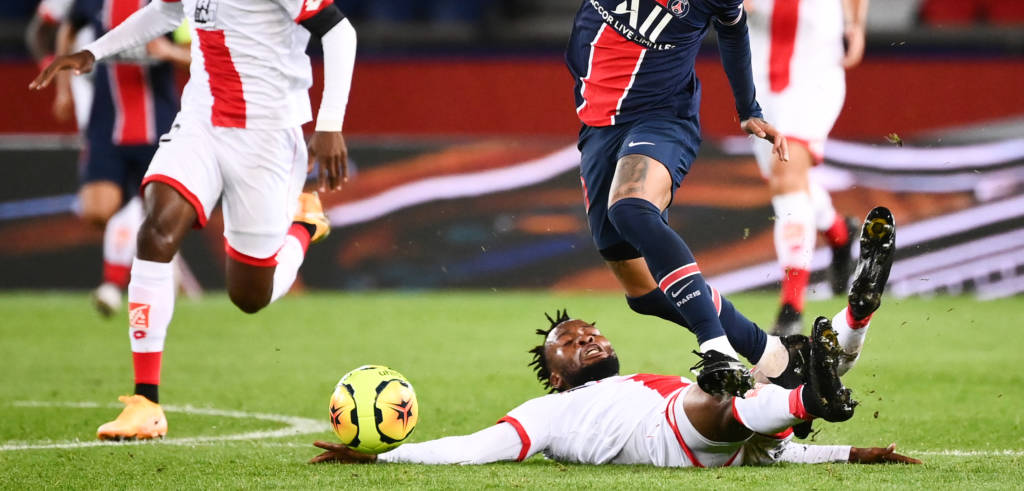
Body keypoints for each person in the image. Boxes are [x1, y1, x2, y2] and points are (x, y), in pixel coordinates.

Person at [30, 0, 357, 440]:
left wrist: (330, 125)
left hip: (267, 134)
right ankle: (145, 403)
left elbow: (339, 31)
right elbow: (163, 10)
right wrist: (92, 53)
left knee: (250, 295)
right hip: (202, 121)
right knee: (155, 230)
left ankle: (303, 226)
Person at [498, 0, 794, 395]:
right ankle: (773, 355)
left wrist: (749, 106)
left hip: (663, 115)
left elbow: (733, 33)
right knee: (642, 292)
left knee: (631, 207)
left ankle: (716, 349)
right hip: (596, 121)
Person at [309, 229, 912, 468]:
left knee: (781, 372)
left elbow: (772, 457)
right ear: (554, 376)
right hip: (672, 434)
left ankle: (855, 320)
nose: (588, 338)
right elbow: (475, 448)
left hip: (731, 434)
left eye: (591, 332)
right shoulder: (546, 412)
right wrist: (383, 460)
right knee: (722, 392)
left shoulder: (646, 379)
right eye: (570, 343)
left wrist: (850, 454)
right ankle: (813, 394)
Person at [716, 0, 870, 335]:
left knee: (787, 178)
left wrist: (856, 28)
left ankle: (791, 307)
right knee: (791, 181)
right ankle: (839, 233)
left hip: (816, 75)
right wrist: (731, 2)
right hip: (758, 80)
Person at [48, 0, 193, 316]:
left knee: (157, 212)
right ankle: (152, 264)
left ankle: (114, 284)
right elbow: (67, 32)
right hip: (106, 122)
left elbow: (198, 54)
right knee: (97, 210)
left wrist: (168, 51)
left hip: (159, 124)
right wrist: (62, 89)